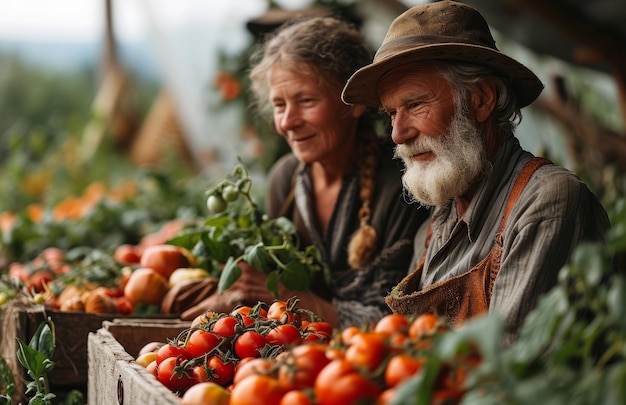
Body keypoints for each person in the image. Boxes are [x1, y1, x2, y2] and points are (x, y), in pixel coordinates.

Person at [341, 0, 611, 342]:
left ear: (481, 100)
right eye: (392, 113)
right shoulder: (435, 226)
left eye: (415, 104)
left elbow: (504, 368)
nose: (398, 133)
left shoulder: (545, 202)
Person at [183, 15, 429, 329]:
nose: (287, 122)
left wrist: (283, 293)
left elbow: (395, 320)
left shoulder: (402, 184)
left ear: (352, 102)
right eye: (279, 105)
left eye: (306, 101)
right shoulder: (285, 180)